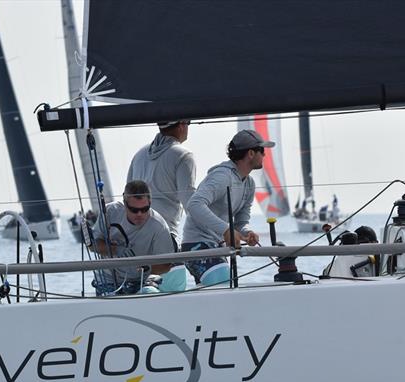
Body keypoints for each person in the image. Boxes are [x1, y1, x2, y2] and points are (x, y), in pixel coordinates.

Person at [181, 129, 273, 285]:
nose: (265, 155)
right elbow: (194, 204)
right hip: (196, 245)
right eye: (262, 150)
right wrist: (226, 230)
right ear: (250, 153)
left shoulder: (249, 184)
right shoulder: (222, 176)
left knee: (220, 295)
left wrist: (246, 232)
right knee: (225, 290)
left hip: (217, 247)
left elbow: (239, 224)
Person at [91, 180, 176, 295]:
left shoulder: (159, 226)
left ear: (150, 203)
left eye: (145, 209)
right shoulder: (110, 212)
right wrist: (115, 249)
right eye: (134, 210)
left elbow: (166, 265)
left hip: (138, 280)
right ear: (125, 203)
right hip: (107, 279)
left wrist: (148, 269)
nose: (139, 214)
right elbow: (93, 246)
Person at [126, 120, 196, 242]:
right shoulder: (184, 155)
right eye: (188, 122)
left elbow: (128, 195)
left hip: (134, 238)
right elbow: (190, 203)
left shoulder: (139, 154)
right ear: (181, 126)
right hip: (164, 235)